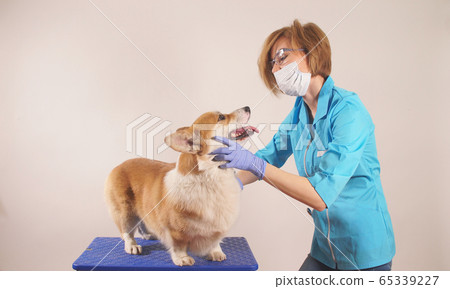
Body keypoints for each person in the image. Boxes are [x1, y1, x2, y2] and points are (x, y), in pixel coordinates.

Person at [210, 19, 395, 271]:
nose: (276, 68)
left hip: (363, 250)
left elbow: (320, 195)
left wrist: (254, 164)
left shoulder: (348, 111)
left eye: (282, 57)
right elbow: (272, 154)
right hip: (325, 248)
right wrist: (229, 184)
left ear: (312, 52)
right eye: (273, 63)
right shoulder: (300, 111)